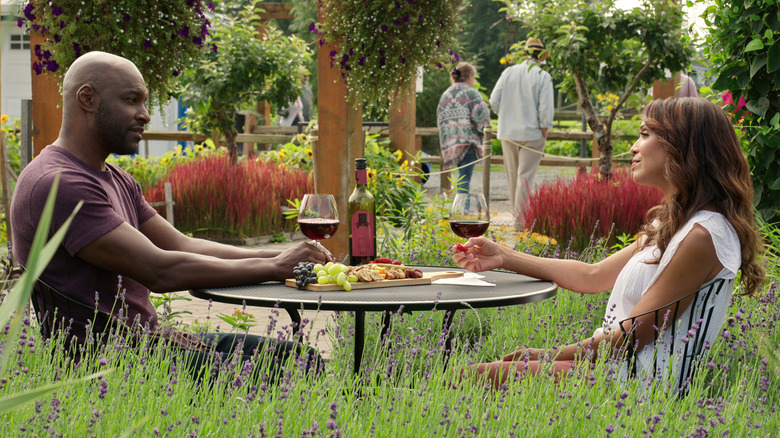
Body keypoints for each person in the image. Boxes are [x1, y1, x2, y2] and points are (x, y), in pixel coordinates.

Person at [10, 51, 334, 378]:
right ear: (88, 98)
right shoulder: (59, 184)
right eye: (132, 100)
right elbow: (160, 270)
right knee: (297, 366)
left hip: (149, 346)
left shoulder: (115, 178)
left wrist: (280, 254)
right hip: (109, 368)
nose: (145, 115)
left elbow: (182, 244)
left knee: (300, 357)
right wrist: (275, 266)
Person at [453, 97, 764, 389]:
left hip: (636, 385)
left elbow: (629, 340)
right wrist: (503, 255)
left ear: (682, 146)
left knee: (470, 378)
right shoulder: (675, 224)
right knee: (471, 375)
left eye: (644, 134)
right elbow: (594, 275)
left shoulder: (703, 236)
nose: (633, 147)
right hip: (615, 367)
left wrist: (548, 353)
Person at [489, 37, 554, 230]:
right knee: (525, 178)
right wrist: (545, 127)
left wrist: (506, 116)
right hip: (532, 133)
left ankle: (516, 219)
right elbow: (545, 107)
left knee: (512, 176)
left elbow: (494, 100)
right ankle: (521, 223)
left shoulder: (508, 72)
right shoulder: (542, 76)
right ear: (541, 57)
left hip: (508, 131)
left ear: (525, 54)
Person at [436, 62, 491, 193]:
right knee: (464, 180)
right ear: (470, 76)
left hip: (450, 144)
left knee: (462, 178)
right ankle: (462, 211)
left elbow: (440, 118)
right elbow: (483, 117)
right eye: (474, 77)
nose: (475, 80)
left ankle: (460, 209)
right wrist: (484, 131)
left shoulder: (445, 95)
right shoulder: (472, 94)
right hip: (468, 143)